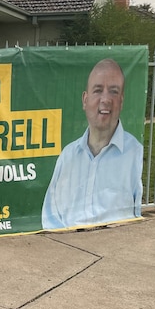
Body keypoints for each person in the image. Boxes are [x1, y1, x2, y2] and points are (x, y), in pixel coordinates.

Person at [42, 58, 143, 230]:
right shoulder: (67, 156)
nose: (106, 99)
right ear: (85, 100)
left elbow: (137, 218)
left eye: (113, 91)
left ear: (122, 101)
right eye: (98, 90)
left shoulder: (135, 154)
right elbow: (50, 215)